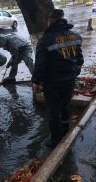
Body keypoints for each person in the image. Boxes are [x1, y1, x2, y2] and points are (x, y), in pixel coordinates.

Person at [31, 9, 84, 148]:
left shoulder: (45, 40)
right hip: (70, 80)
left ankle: (55, 140)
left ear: (50, 20)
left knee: (53, 110)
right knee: (65, 106)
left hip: (53, 83)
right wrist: (76, 69)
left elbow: (40, 65)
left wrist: (36, 82)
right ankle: (65, 131)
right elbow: (80, 59)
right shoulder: (76, 36)